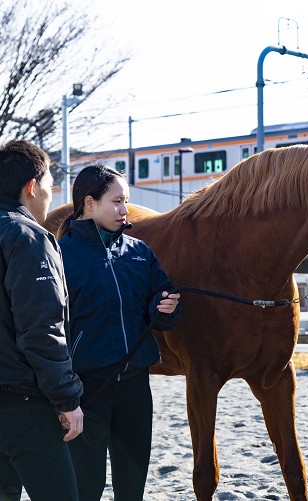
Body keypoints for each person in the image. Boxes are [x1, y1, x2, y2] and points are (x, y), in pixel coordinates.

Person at [56, 164, 181, 501]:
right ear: (89, 203)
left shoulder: (139, 252)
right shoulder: (61, 256)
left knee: (132, 486)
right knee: (86, 487)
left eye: (126, 201)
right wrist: (62, 395)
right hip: (86, 391)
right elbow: (47, 327)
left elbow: (164, 305)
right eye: (117, 201)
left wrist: (164, 306)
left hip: (136, 388)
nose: (125, 210)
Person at [0, 140, 84, 501]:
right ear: (32, 187)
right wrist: (67, 399)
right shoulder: (29, 237)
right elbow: (42, 330)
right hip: (21, 401)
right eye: (50, 183)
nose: (52, 193)